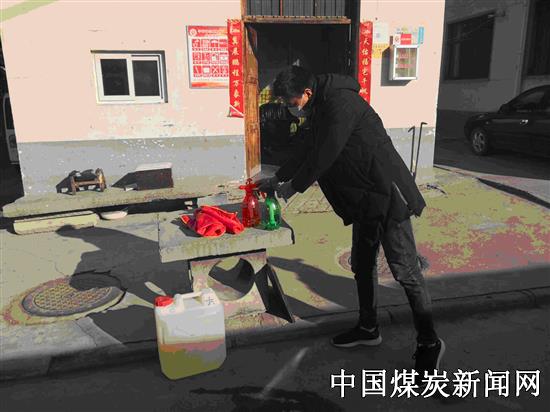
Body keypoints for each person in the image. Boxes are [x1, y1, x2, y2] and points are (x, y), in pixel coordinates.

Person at [256, 65, 445, 380]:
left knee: (406, 271)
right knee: (362, 264)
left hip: (388, 195)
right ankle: (368, 327)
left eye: (292, 102)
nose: (291, 109)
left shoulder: (342, 104)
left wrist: (293, 187)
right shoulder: (319, 108)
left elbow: (325, 153)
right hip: (364, 198)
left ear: (307, 93)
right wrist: (277, 178)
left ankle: (429, 341)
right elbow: (306, 149)